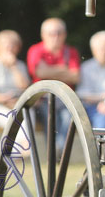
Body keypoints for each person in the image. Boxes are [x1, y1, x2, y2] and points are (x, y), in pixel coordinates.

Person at [26, 18, 81, 152]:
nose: (55, 37)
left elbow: (75, 77)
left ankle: (59, 149)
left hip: (65, 99)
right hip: (43, 99)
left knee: (69, 118)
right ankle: (55, 149)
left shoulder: (71, 51)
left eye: (59, 33)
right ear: (43, 35)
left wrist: (49, 71)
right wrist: (63, 68)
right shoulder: (35, 50)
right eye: (51, 33)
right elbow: (39, 72)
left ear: (64, 34)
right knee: (50, 119)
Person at [0, 30, 32, 145]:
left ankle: (19, 151)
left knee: (28, 115)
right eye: (5, 44)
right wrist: (3, 99)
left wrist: (13, 67)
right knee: (11, 119)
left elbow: (24, 87)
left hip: (16, 105)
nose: (9, 48)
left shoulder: (20, 65)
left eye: (13, 45)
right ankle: (22, 148)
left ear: (18, 48)